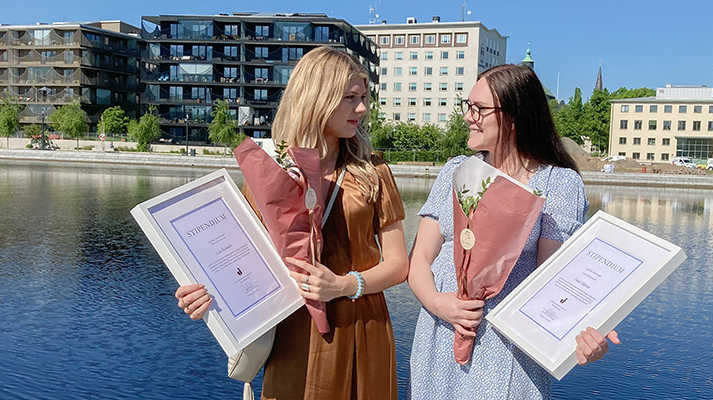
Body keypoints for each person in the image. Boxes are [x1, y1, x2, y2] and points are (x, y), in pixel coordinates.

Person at [175, 47, 409, 399]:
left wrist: (344, 285)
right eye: (349, 98)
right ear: (316, 98)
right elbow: (241, 263)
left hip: (362, 327)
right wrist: (207, 294)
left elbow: (398, 264)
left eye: (363, 98)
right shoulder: (271, 173)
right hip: (290, 332)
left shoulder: (374, 173)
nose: (361, 109)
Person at [405, 65, 620, 399]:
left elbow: (554, 283)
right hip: (439, 334)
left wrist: (582, 330)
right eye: (468, 105)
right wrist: (437, 302)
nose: (468, 116)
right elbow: (419, 257)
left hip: (507, 349)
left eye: (479, 109)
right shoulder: (455, 172)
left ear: (514, 115)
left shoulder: (557, 184)